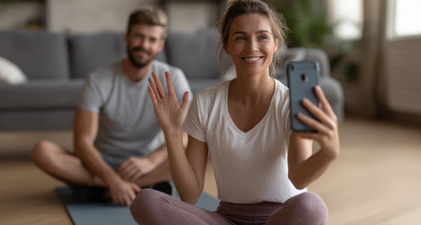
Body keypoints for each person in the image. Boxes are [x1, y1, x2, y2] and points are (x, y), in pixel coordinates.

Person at [130, 0, 340, 224]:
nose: (252, 47)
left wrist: (328, 153)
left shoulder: (290, 102)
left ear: (276, 44)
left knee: (311, 206)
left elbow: (298, 179)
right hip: (227, 218)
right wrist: (172, 132)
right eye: (241, 37)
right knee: (145, 201)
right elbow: (190, 194)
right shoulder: (206, 103)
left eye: (262, 37)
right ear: (227, 44)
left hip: (281, 218)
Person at [31, 6, 192, 206]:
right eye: (139, 36)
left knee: (197, 151)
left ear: (160, 45)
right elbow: (82, 143)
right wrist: (111, 178)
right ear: (127, 37)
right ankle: (130, 187)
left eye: (152, 40)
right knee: (42, 151)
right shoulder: (98, 79)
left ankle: (98, 188)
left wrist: (149, 162)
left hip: (146, 164)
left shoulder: (173, 78)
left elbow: (185, 134)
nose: (144, 45)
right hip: (99, 164)